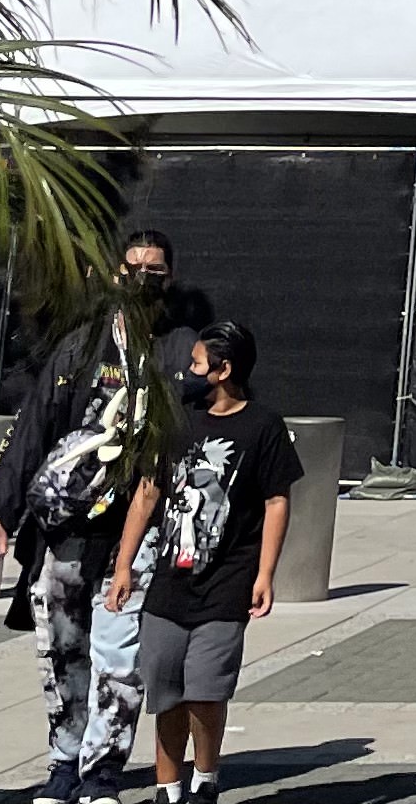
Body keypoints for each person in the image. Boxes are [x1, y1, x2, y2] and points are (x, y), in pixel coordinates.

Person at [0, 228, 204, 799]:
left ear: (169, 278)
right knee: (61, 647)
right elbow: (33, 426)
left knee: (119, 654)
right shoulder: (82, 345)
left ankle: (103, 772)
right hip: (67, 526)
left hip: (139, 528)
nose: (143, 279)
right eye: (134, 269)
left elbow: (207, 431)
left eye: (155, 271)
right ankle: (65, 759)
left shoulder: (182, 347)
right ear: (115, 273)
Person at [104, 322, 299, 804]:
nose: (186, 373)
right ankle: (167, 789)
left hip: (227, 580)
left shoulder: (263, 426)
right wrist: (125, 565)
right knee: (165, 690)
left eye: (195, 364)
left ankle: (205, 779)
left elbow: (277, 500)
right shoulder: (176, 420)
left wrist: (265, 574)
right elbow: (148, 492)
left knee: (206, 691)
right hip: (170, 579)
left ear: (223, 369)